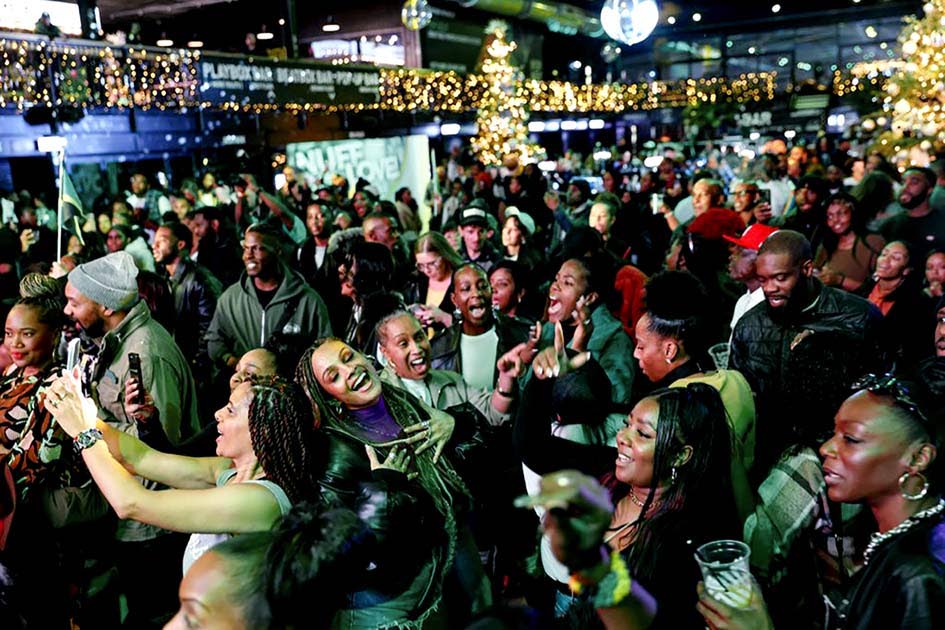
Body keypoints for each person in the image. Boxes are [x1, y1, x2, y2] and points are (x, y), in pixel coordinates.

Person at [513, 326, 739, 627]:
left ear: (680, 455)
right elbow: (532, 446)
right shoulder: (610, 472)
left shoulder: (687, 536)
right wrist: (542, 381)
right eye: (628, 424)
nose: (622, 437)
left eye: (642, 433)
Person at [296, 337, 492, 622]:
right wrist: (385, 485)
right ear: (329, 397)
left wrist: (454, 422)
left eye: (348, 357)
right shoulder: (337, 449)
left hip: (451, 543)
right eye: (334, 376)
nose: (349, 370)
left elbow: (478, 453)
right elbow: (349, 549)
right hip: (404, 586)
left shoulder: (400, 400)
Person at [43, 375, 320, 575]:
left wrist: (83, 432)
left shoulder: (260, 500)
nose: (218, 414)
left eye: (231, 410)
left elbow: (132, 503)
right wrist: (81, 410)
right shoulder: (228, 472)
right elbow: (140, 458)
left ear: (263, 432)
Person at [64, 251, 202, 626]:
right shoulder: (118, 342)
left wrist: (87, 426)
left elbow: (165, 443)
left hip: (151, 522)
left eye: (75, 302)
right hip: (132, 508)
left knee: (151, 611)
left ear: (106, 305)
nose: (66, 310)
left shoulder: (146, 352)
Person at [730, 230, 884, 474]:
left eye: (780, 278)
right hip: (770, 458)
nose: (770, 288)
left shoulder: (858, 317)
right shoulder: (750, 326)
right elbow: (740, 398)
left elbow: (882, 394)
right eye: (762, 280)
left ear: (807, 268)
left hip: (840, 458)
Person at [820, 374, 945, 628]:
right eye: (834, 433)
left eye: (851, 439)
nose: (826, 448)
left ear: (918, 458)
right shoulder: (889, 533)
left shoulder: (918, 577)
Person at [206, 222, 332, 373]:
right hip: (244, 390)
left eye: (257, 248)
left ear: (277, 251)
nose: (248, 255)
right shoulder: (230, 298)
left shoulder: (309, 301)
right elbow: (215, 341)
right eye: (246, 248)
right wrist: (236, 364)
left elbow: (326, 349)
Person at [540, 255, 636, 405]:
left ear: (590, 298)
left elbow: (618, 398)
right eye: (556, 279)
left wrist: (579, 353)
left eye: (567, 282)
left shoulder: (614, 338)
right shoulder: (548, 329)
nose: (555, 286)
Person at [430, 264, 533, 390]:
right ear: (454, 300)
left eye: (483, 286)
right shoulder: (438, 347)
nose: (476, 293)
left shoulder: (522, 333)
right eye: (466, 288)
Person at [151, 222, 222, 378]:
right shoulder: (164, 279)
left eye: (161, 240)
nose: (154, 245)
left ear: (180, 244)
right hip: (178, 364)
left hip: (197, 370)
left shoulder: (200, 280)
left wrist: (198, 367)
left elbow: (211, 329)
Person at [858, 241, 934, 366]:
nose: (885, 260)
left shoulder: (914, 304)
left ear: (906, 270)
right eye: (884, 254)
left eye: (895, 258)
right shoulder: (866, 289)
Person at [813, 193, 884, 292]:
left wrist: (840, 280)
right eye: (830, 216)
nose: (835, 220)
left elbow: (879, 289)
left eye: (841, 213)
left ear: (853, 213)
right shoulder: (827, 244)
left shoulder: (873, 243)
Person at [880, 166, 945, 262]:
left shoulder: (942, 223)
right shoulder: (889, 226)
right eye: (903, 182)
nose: (905, 187)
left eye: (914, 182)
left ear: (929, 190)